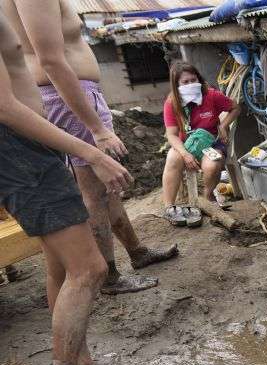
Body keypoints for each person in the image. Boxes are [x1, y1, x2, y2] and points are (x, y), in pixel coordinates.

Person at [0, 10, 132, 365]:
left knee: (60, 265)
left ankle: (80, 360)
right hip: (18, 147)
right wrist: (90, 149)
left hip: (31, 144)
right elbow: (3, 107)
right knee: (89, 269)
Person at [3, 0, 178, 294]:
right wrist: (96, 128)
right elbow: (51, 61)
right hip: (70, 101)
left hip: (73, 97)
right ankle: (109, 276)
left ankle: (136, 252)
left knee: (105, 186)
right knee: (94, 192)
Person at [161, 61, 240, 224]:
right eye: (185, 82)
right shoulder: (172, 103)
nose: (191, 84)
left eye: (193, 80)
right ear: (176, 85)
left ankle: (207, 197)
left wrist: (224, 125)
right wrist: (185, 153)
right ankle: (169, 208)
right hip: (186, 144)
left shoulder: (212, 95)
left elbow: (236, 108)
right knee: (172, 158)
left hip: (212, 142)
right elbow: (172, 134)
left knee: (212, 166)